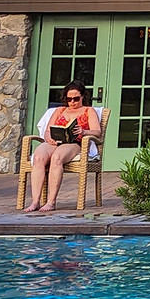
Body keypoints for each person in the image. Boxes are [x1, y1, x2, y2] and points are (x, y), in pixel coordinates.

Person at [25, 84, 100, 212]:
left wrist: (84, 131)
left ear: (82, 96)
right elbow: (48, 130)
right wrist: (49, 138)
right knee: (38, 157)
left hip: (74, 143)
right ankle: (35, 201)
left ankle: (51, 201)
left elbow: (97, 132)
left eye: (76, 99)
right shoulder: (59, 110)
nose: (72, 102)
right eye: (69, 99)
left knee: (57, 158)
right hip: (55, 142)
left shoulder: (88, 111)